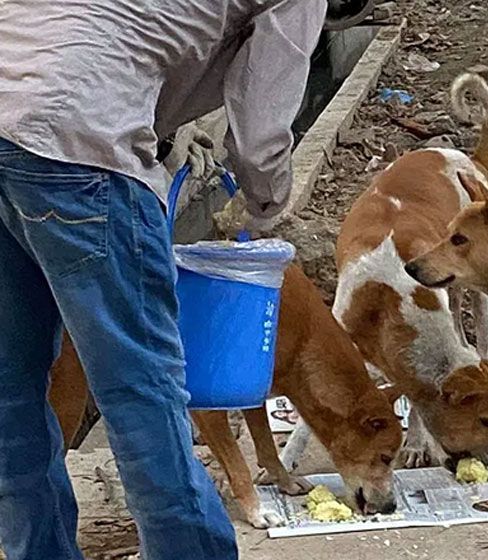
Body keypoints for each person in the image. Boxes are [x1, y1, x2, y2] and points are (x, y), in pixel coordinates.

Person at [0, 1, 370, 558]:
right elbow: (261, 127)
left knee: (11, 385)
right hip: (78, 141)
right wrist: (265, 206)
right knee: (141, 394)